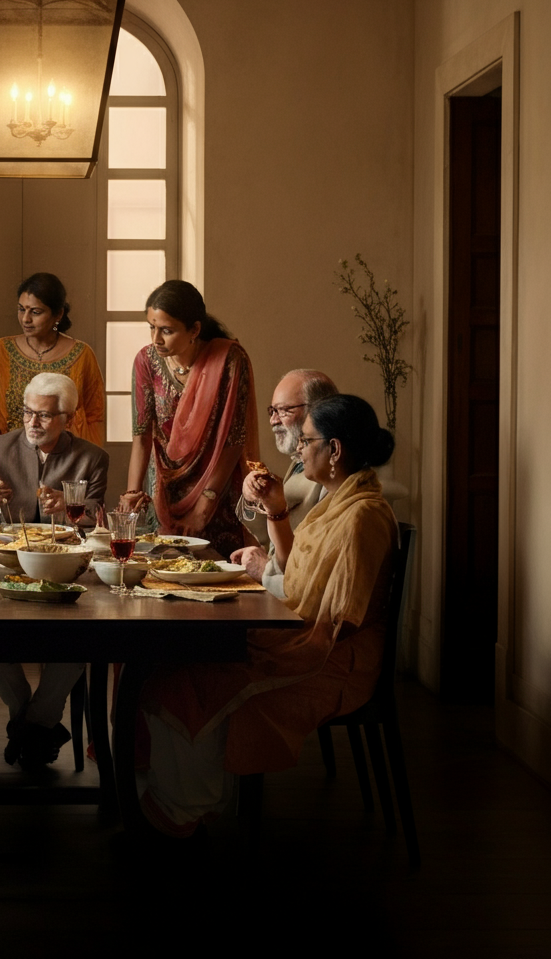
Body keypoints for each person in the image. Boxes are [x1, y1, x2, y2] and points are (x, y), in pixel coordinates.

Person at [136, 394, 397, 837]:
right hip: (308, 634)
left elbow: (323, 610)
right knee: (171, 670)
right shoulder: (337, 503)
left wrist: (265, 575)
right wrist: (276, 509)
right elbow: (301, 577)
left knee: (193, 679)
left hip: (333, 657)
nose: (298, 449)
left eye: (307, 440)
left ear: (334, 450)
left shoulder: (362, 516)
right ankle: (188, 799)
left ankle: (188, 809)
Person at [0, 373, 109, 769]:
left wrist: (68, 507)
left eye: (45, 416)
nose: (33, 422)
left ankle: (32, 723)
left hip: (66, 578)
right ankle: (37, 722)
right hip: (3, 576)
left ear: (68, 417)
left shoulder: (93, 457)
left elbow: (99, 527)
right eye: (29, 412)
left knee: (85, 639)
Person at [119, 281, 258, 558]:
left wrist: (206, 503)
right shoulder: (146, 361)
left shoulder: (229, 360)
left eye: (167, 331)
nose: (156, 339)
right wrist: (133, 494)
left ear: (194, 330)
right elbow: (142, 436)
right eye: (152, 327)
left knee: (219, 570)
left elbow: (233, 441)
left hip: (215, 487)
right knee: (159, 568)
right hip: (162, 488)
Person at [232, 369, 338, 596]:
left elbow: (314, 577)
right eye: (272, 410)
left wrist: (265, 571)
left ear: (318, 410)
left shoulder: (334, 477)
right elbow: (274, 539)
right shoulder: (298, 463)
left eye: (284, 410)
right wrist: (254, 499)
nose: (273, 420)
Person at [0, 272, 106, 446]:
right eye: (21, 309)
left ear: (58, 314)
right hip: (12, 456)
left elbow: (95, 417)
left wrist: (88, 463)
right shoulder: (1, 351)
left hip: (67, 460)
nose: (26, 319)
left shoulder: (82, 355)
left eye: (36, 312)